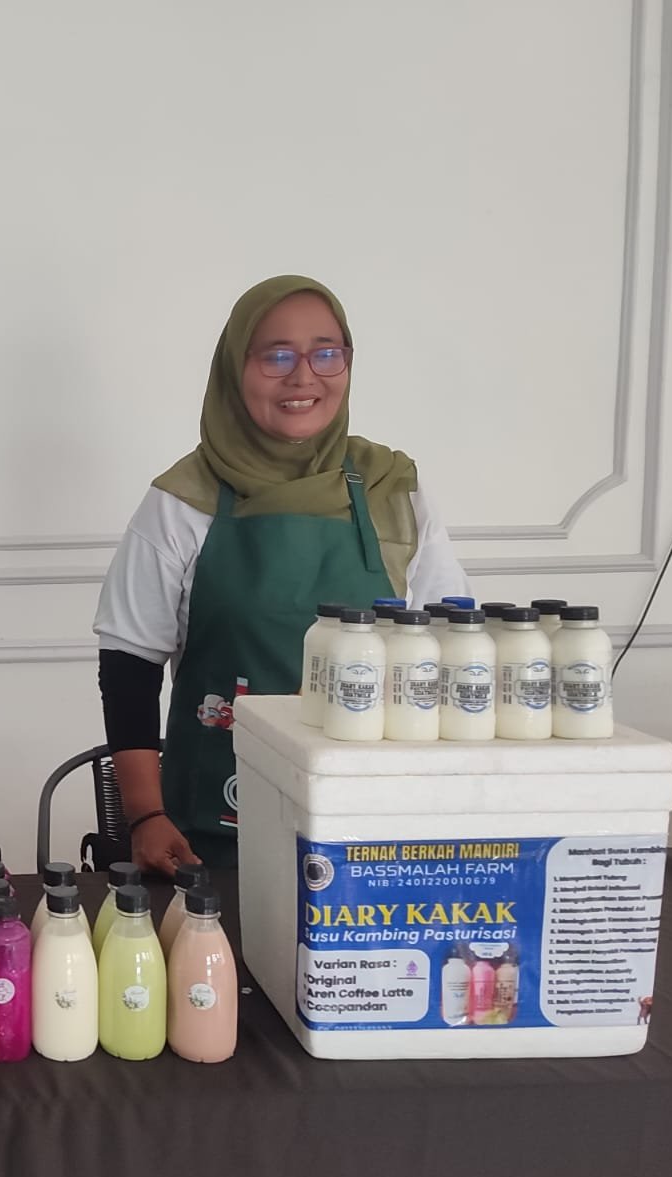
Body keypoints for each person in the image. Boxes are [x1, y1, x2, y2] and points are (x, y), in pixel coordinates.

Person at [94, 275, 469, 874]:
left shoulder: (393, 488)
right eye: (276, 356)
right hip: (215, 830)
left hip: (378, 827)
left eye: (326, 353)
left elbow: (452, 646)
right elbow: (128, 668)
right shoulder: (182, 501)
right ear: (234, 369)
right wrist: (144, 815)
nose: (303, 377)